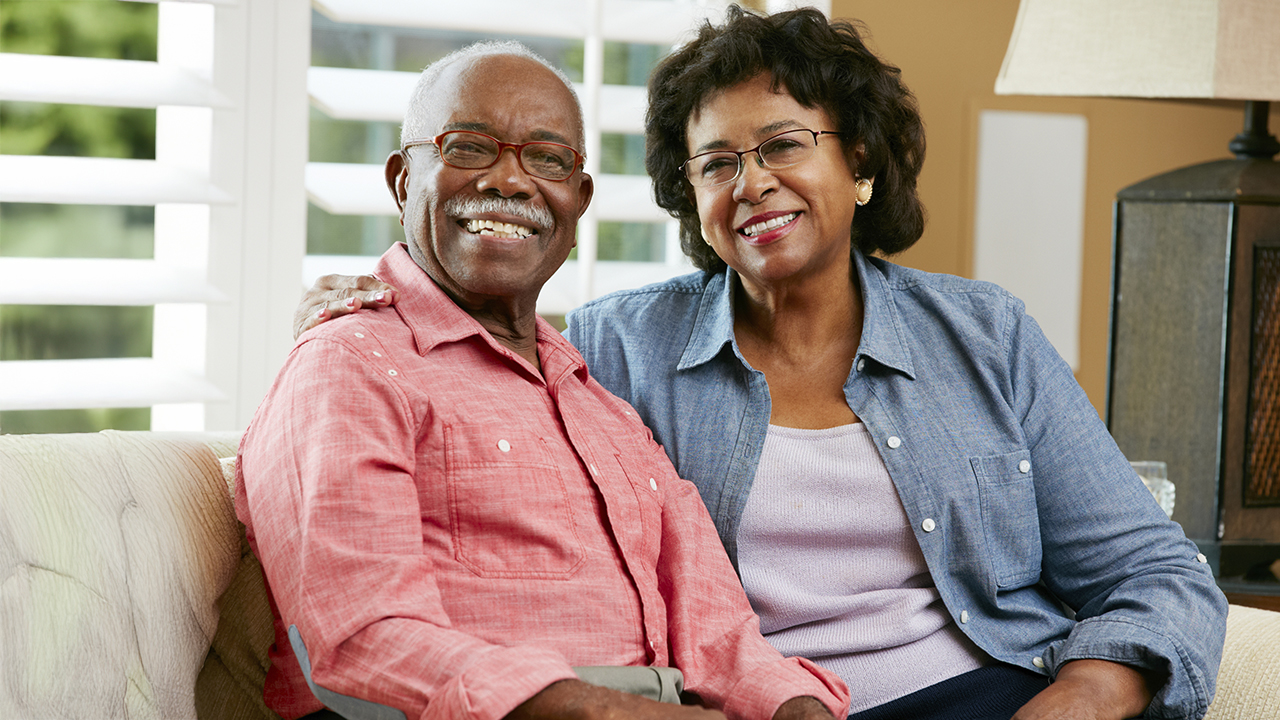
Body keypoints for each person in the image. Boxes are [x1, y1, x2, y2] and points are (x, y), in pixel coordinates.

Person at [296, 8, 1228, 720]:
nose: (751, 183)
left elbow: (1153, 571)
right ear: (689, 194)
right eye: (715, 163)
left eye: (784, 144)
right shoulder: (618, 346)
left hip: (990, 693)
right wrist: (369, 301)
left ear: (858, 162)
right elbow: (476, 382)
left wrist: (1079, 700)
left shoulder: (985, 335)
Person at [237, 40, 851, 720]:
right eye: (469, 147)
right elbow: (362, 639)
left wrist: (799, 708)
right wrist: (605, 712)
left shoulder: (603, 402)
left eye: (547, 158)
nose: (509, 181)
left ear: (578, 199)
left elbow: (721, 638)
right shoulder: (350, 365)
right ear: (403, 181)